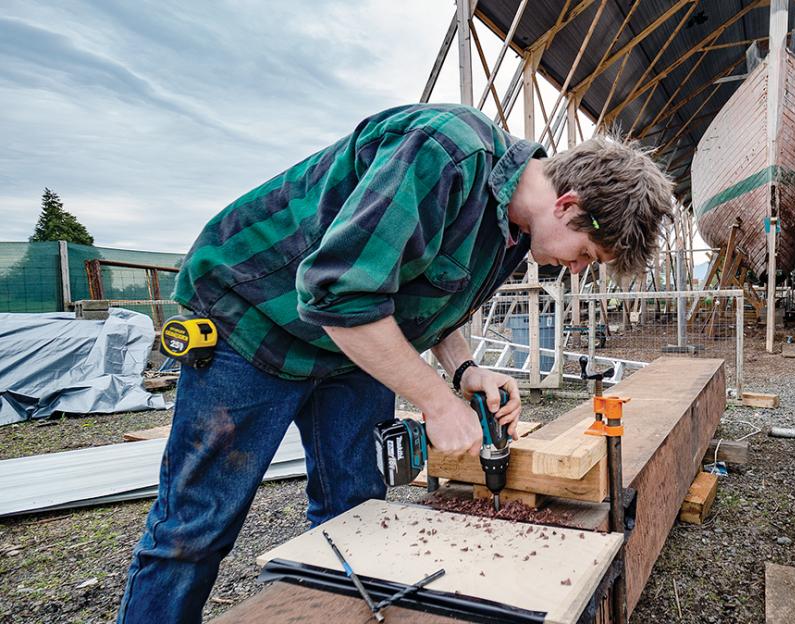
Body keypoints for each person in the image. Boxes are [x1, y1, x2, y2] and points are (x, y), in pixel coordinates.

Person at [117, 103, 673, 623]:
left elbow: (430, 299)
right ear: (568, 205)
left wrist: (463, 370)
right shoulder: (441, 152)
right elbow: (336, 293)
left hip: (349, 348)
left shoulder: (515, 233)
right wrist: (434, 399)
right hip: (255, 319)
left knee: (355, 509)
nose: (576, 271)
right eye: (585, 256)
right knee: (196, 526)